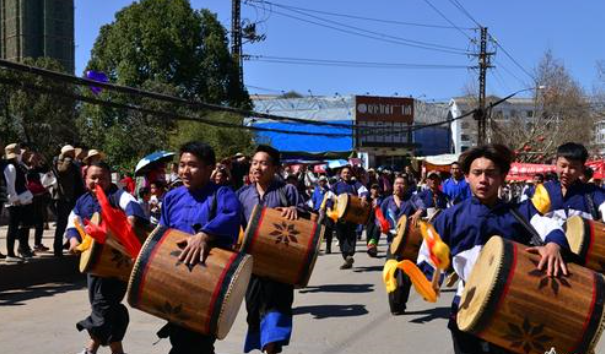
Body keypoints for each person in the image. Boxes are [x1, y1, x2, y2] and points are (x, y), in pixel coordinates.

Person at [416, 144, 569, 354]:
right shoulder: (451, 216)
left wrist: (553, 245)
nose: (483, 180)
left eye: (490, 173)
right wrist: (428, 281)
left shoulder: (520, 212)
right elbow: (429, 252)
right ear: (467, 176)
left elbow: (550, 226)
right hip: (466, 303)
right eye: (477, 173)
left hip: (511, 305)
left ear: (502, 176)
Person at [155, 141, 241, 354]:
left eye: (192, 165)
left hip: (206, 281)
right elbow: (162, 234)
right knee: (180, 337)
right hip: (176, 279)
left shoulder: (222, 194)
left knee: (196, 342)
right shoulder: (172, 197)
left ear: (210, 168)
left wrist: (205, 234)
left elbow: (231, 216)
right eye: (182, 164)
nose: (185, 170)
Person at [66, 161, 148, 354]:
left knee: (103, 305)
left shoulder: (116, 195)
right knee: (104, 307)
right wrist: (72, 240)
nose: (97, 181)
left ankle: (90, 349)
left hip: (116, 264)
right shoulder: (82, 201)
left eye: (102, 178)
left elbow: (131, 204)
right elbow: (73, 221)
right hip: (93, 263)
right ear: (85, 180)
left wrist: (130, 219)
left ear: (109, 179)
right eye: (93, 177)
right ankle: (117, 350)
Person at [237, 145, 303, 354]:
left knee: (277, 307)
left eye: (263, 163)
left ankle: (271, 348)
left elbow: (310, 217)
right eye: (254, 163)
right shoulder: (242, 195)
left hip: (280, 263)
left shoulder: (287, 190)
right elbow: (236, 227)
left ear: (275, 168)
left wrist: (295, 210)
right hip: (253, 263)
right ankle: (264, 345)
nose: (257, 167)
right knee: (254, 309)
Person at [538, 143, 605, 223]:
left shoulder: (593, 193)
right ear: (556, 164)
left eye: (573, 168)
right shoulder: (544, 190)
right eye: (563, 166)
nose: (566, 172)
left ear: (582, 169)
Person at [381, 175, 418, 315]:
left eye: (402, 184)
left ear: (407, 186)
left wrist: (418, 212)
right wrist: (381, 225)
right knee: (391, 274)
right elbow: (379, 216)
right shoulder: (387, 201)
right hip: (392, 243)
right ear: (393, 185)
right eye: (397, 183)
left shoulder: (412, 200)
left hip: (409, 244)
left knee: (406, 279)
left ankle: (401, 303)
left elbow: (422, 207)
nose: (399, 186)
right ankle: (394, 306)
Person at [330, 166, 369, 269]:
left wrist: (363, 198)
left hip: (352, 214)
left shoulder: (355, 184)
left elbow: (364, 191)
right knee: (340, 235)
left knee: (351, 234)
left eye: (348, 173)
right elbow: (329, 194)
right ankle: (347, 257)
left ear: (351, 174)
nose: (346, 174)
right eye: (344, 173)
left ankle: (349, 254)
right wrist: (336, 198)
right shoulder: (336, 185)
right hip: (339, 214)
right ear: (341, 174)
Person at [53, 144, 85, 257]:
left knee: (73, 222)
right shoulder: (61, 161)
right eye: (72, 151)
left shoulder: (72, 162)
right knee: (62, 224)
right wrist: (66, 158)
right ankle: (57, 249)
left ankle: (69, 244)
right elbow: (62, 170)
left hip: (72, 197)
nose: (74, 153)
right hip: (64, 198)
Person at [3, 143, 34, 263]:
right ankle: (10, 254)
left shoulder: (16, 166)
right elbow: (10, 185)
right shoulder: (11, 167)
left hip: (17, 200)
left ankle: (13, 253)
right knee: (12, 227)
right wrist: (14, 198)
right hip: (14, 201)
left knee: (15, 226)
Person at [311, 176, 334, 253]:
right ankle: (316, 247)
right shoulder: (316, 190)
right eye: (321, 181)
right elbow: (313, 200)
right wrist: (315, 209)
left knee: (329, 229)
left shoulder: (329, 190)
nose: (322, 182)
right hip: (319, 210)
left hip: (328, 211)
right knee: (318, 229)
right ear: (318, 182)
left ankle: (328, 248)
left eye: (324, 181)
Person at [365, 184, 383, 257]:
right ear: (370, 190)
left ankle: (373, 250)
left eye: (377, 188)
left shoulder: (381, 198)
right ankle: (371, 248)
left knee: (375, 234)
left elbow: (382, 206)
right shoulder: (367, 198)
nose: (375, 190)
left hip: (377, 220)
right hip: (369, 219)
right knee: (369, 234)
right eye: (373, 188)